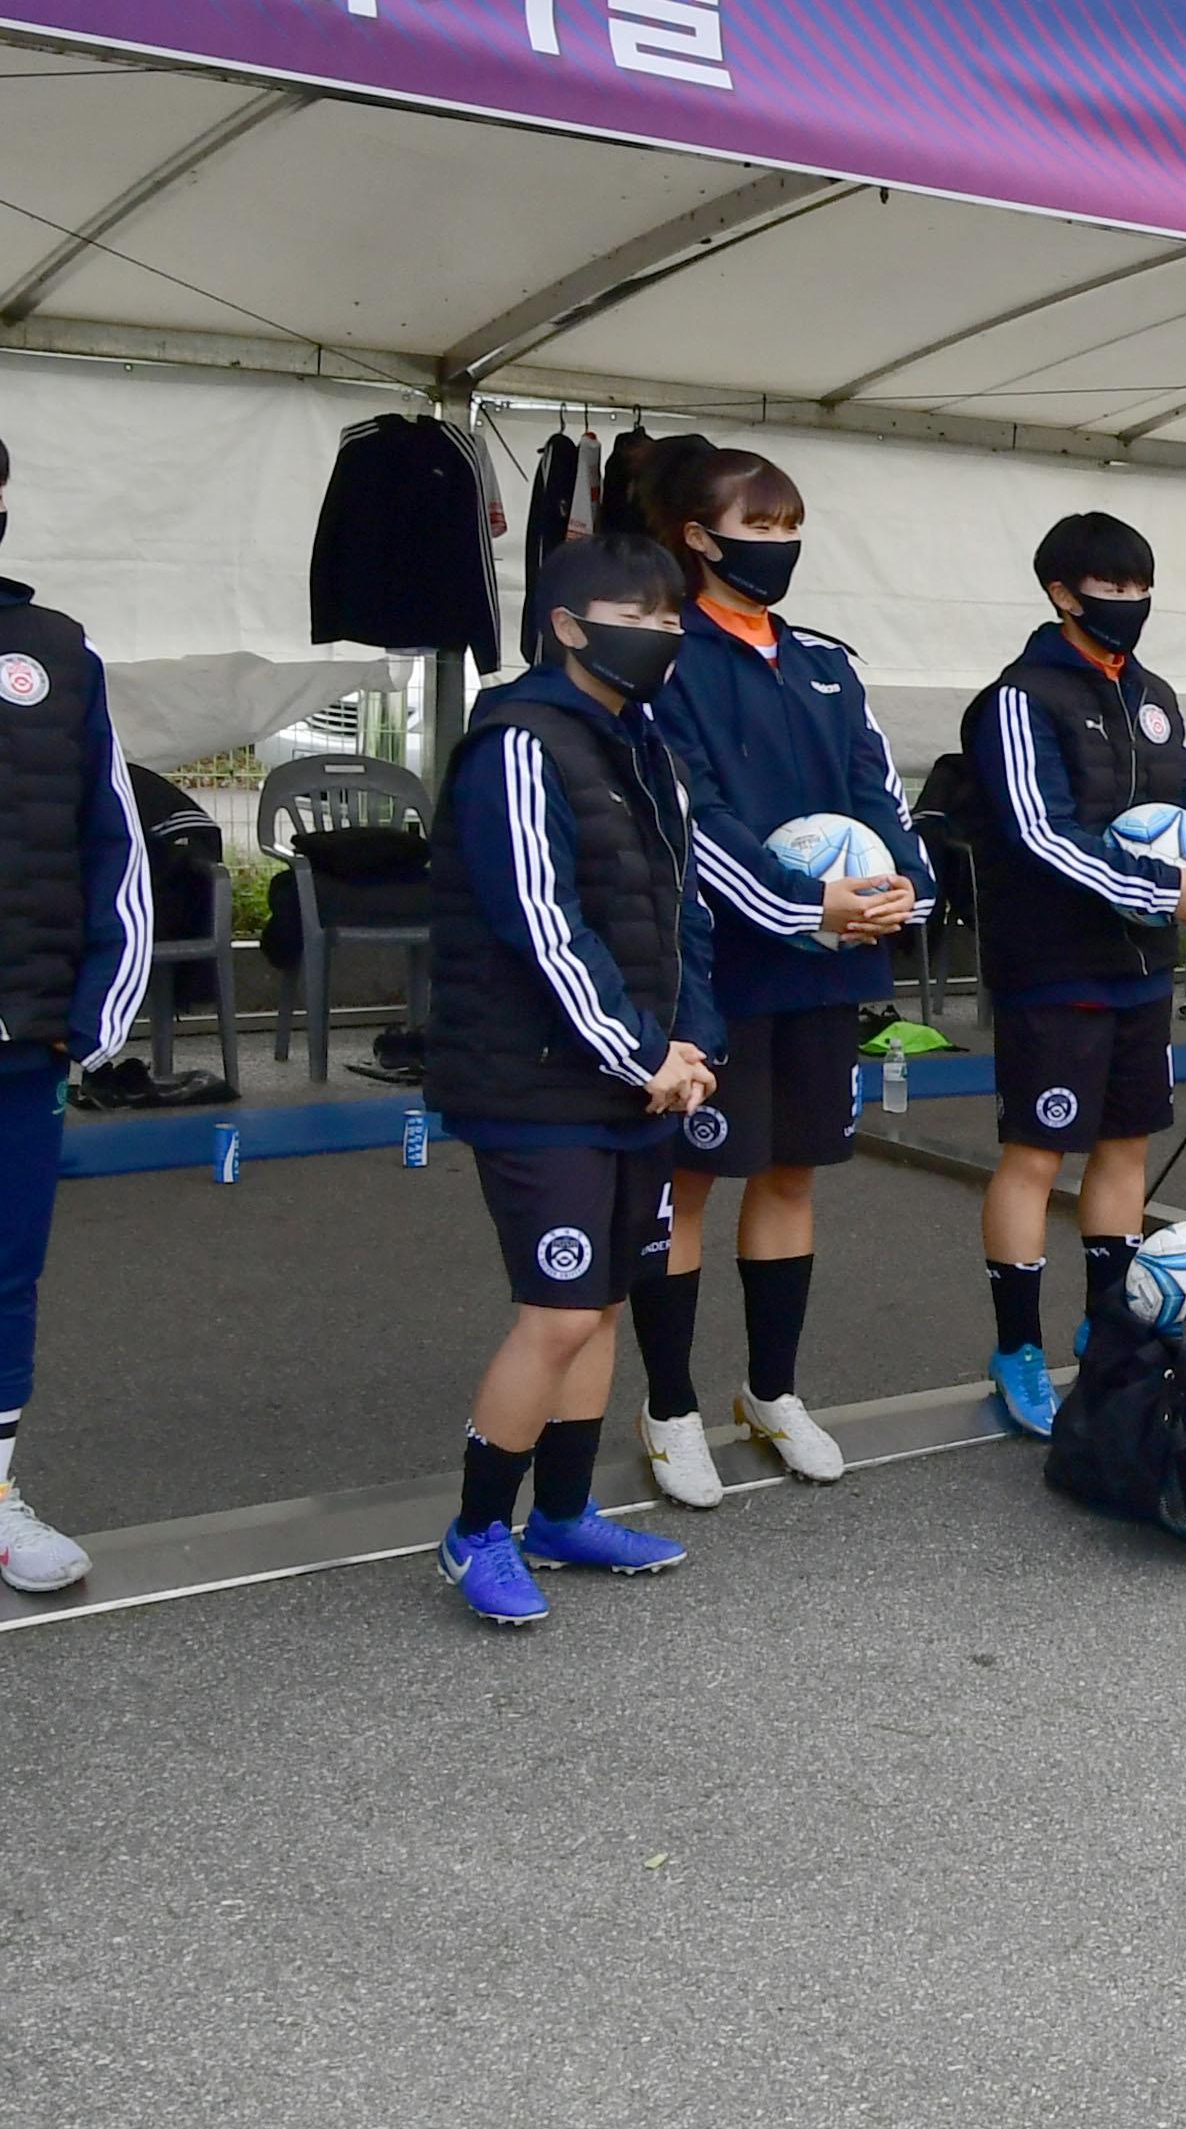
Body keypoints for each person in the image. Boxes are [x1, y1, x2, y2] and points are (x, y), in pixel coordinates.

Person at [429, 538, 721, 1625]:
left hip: (636, 1074)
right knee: (555, 1311)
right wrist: (639, 1049)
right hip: (536, 1081)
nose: (665, 633)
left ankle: (561, 1514)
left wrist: (691, 1042)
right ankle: (474, 1531)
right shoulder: (514, 742)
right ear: (565, 624)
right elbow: (538, 924)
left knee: (605, 1302)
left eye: (675, 619)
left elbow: (685, 907)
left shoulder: (648, 746)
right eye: (638, 613)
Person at [635, 446, 933, 1507]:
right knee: (687, 1184)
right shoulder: (662, 658)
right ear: (698, 537)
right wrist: (802, 904)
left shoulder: (826, 662)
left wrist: (903, 890)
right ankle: (668, 1405)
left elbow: (880, 795)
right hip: (714, 972)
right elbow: (687, 814)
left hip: (825, 971)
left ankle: (771, 1391)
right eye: (757, 524)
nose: (779, 543)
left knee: (795, 1172)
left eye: (791, 521)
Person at [964, 512, 1186, 1438]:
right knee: (1037, 1157)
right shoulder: (1017, 697)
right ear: (1061, 594)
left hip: (1141, 968)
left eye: (1139, 590)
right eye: (1110, 590)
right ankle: (1016, 1350)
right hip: (1053, 962)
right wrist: (1163, 886)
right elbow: (1037, 833)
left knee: (1125, 1148)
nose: (1128, 606)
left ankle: (1107, 1325)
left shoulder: (1154, 692)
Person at [0, 434, 147, 1593]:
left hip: (19, 1033)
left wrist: (91, 1012)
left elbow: (114, 843)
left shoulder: (54, 652)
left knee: (5, 1274)